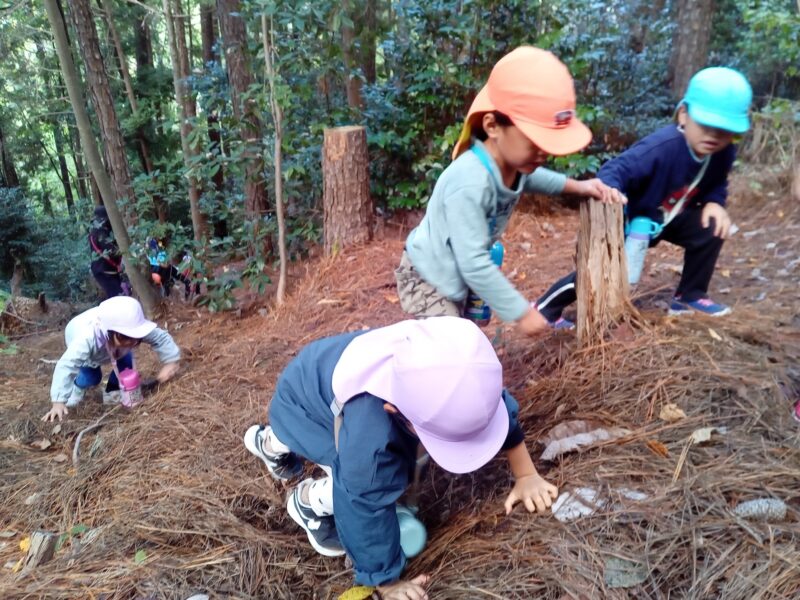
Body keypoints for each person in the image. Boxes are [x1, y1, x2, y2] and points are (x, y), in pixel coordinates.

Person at [244, 317, 558, 599]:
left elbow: (494, 410)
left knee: (301, 434)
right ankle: (308, 502)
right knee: (359, 474)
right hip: (308, 405)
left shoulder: (461, 369)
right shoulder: (371, 435)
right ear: (395, 412)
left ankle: (270, 441)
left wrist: (526, 474)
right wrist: (385, 580)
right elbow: (361, 498)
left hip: (321, 369)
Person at [395, 46, 625, 336]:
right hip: (429, 275)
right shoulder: (470, 183)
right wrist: (522, 312)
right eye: (534, 140)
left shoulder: (515, 163)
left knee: (470, 334)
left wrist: (580, 187)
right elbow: (473, 263)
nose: (543, 152)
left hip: (460, 269)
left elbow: (535, 178)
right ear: (493, 126)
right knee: (450, 344)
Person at [536, 67, 753, 323]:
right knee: (600, 271)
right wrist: (612, 195)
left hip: (668, 219)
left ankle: (690, 295)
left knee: (710, 227)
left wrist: (716, 203)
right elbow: (616, 169)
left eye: (725, 130)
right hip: (635, 218)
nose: (714, 136)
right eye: (706, 125)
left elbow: (717, 182)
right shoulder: (661, 148)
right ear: (684, 115)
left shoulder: (723, 154)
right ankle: (544, 310)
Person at [42, 296, 181, 422]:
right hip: (89, 352)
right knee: (91, 377)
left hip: (116, 348)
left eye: (136, 337)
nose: (132, 342)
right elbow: (67, 364)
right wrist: (58, 401)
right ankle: (78, 389)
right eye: (127, 337)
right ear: (110, 332)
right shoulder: (86, 339)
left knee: (125, 368)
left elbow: (160, 337)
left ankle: (115, 394)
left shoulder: (129, 326)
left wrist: (171, 361)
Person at [89, 206, 127, 298]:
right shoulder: (100, 232)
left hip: (106, 269)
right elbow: (110, 250)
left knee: (116, 295)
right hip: (104, 270)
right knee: (117, 297)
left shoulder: (96, 231)